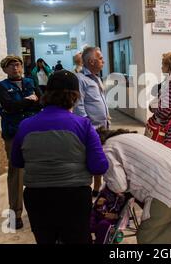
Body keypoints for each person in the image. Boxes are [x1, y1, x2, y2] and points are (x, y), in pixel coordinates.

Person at [11, 70, 108, 244]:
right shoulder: (83, 125)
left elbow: (17, 162)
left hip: (37, 197)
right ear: (75, 96)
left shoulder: (25, 125)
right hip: (74, 197)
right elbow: (99, 167)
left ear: (46, 94)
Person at [98, 128, 171, 244]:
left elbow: (118, 186)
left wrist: (106, 178)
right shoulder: (128, 137)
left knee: (149, 236)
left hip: (165, 187)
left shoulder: (106, 149)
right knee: (168, 231)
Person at [0, 55, 42, 230]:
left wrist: (24, 103)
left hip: (34, 133)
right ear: (5, 69)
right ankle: (15, 214)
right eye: (11, 65)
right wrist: (28, 101)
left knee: (37, 170)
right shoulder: (1, 87)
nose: (15, 67)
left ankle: (38, 210)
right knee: (16, 173)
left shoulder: (31, 81)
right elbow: (8, 107)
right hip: (13, 134)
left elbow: (41, 102)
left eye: (18, 64)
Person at [74, 46, 110, 196]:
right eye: (100, 58)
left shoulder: (96, 78)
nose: (103, 61)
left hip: (103, 126)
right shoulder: (80, 79)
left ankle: (97, 187)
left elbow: (98, 100)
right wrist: (87, 124)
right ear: (91, 61)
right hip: (92, 128)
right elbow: (79, 105)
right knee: (90, 158)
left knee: (100, 157)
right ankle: (87, 189)